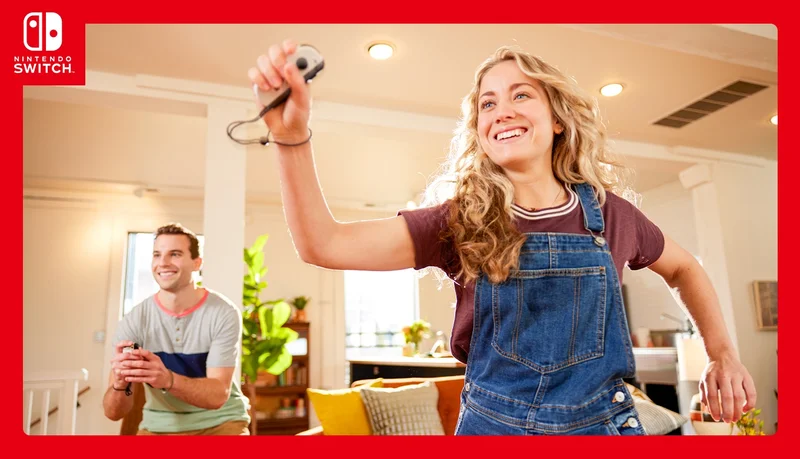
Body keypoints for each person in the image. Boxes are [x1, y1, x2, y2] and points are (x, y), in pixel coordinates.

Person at [247, 39, 757, 435]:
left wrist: (722, 354)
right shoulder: (458, 222)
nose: (502, 110)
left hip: (603, 429)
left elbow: (685, 268)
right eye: (487, 104)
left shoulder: (612, 216)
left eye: (521, 95)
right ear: (479, 131)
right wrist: (290, 138)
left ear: (557, 120)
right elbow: (323, 243)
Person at [102, 223, 251, 435]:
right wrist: (119, 384)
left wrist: (168, 379)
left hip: (221, 423)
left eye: (175, 254)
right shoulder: (135, 320)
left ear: (196, 263)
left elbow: (218, 395)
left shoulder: (223, 313)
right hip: (158, 427)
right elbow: (114, 413)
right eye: (157, 254)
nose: (163, 263)